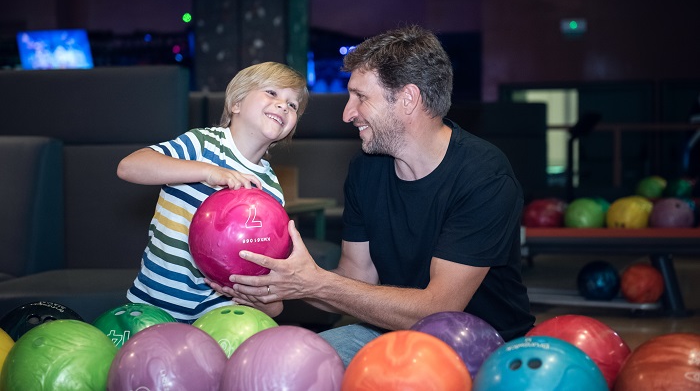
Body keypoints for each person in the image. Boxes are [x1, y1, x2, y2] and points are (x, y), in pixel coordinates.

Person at [216, 25, 534, 365]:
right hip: (389, 330)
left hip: (481, 345)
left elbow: (439, 311)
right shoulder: (366, 168)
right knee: (289, 365)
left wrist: (315, 284)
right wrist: (282, 279)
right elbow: (357, 278)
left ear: (408, 99)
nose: (347, 113)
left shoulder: (484, 176)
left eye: (361, 97)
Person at [116, 61, 309, 322]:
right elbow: (129, 167)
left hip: (217, 318)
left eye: (292, 104)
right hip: (151, 308)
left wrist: (262, 298)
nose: (283, 105)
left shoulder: (270, 189)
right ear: (236, 104)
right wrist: (208, 172)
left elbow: (271, 297)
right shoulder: (203, 144)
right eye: (272, 93)